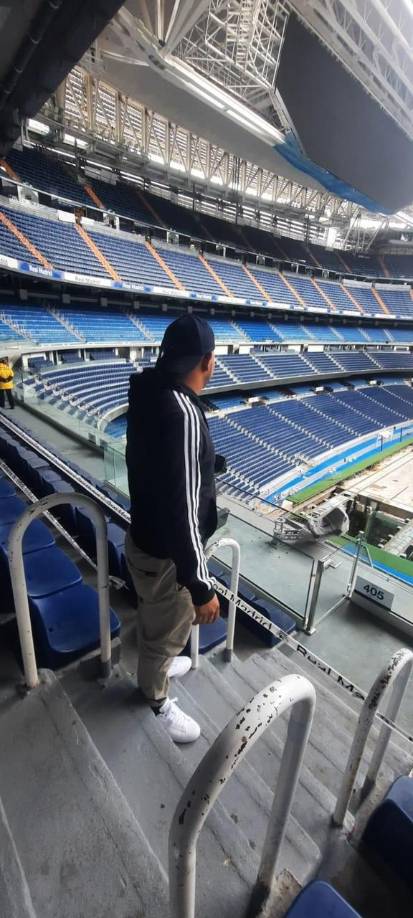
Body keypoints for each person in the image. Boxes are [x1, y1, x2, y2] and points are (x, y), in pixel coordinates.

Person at [125, 315, 222, 743]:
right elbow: (183, 510)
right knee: (164, 633)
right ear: (207, 361)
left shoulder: (152, 391)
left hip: (144, 539)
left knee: (155, 619)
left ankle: (159, 667)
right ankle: (156, 697)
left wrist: (206, 464)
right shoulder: (183, 413)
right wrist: (200, 586)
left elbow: (161, 465)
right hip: (167, 558)